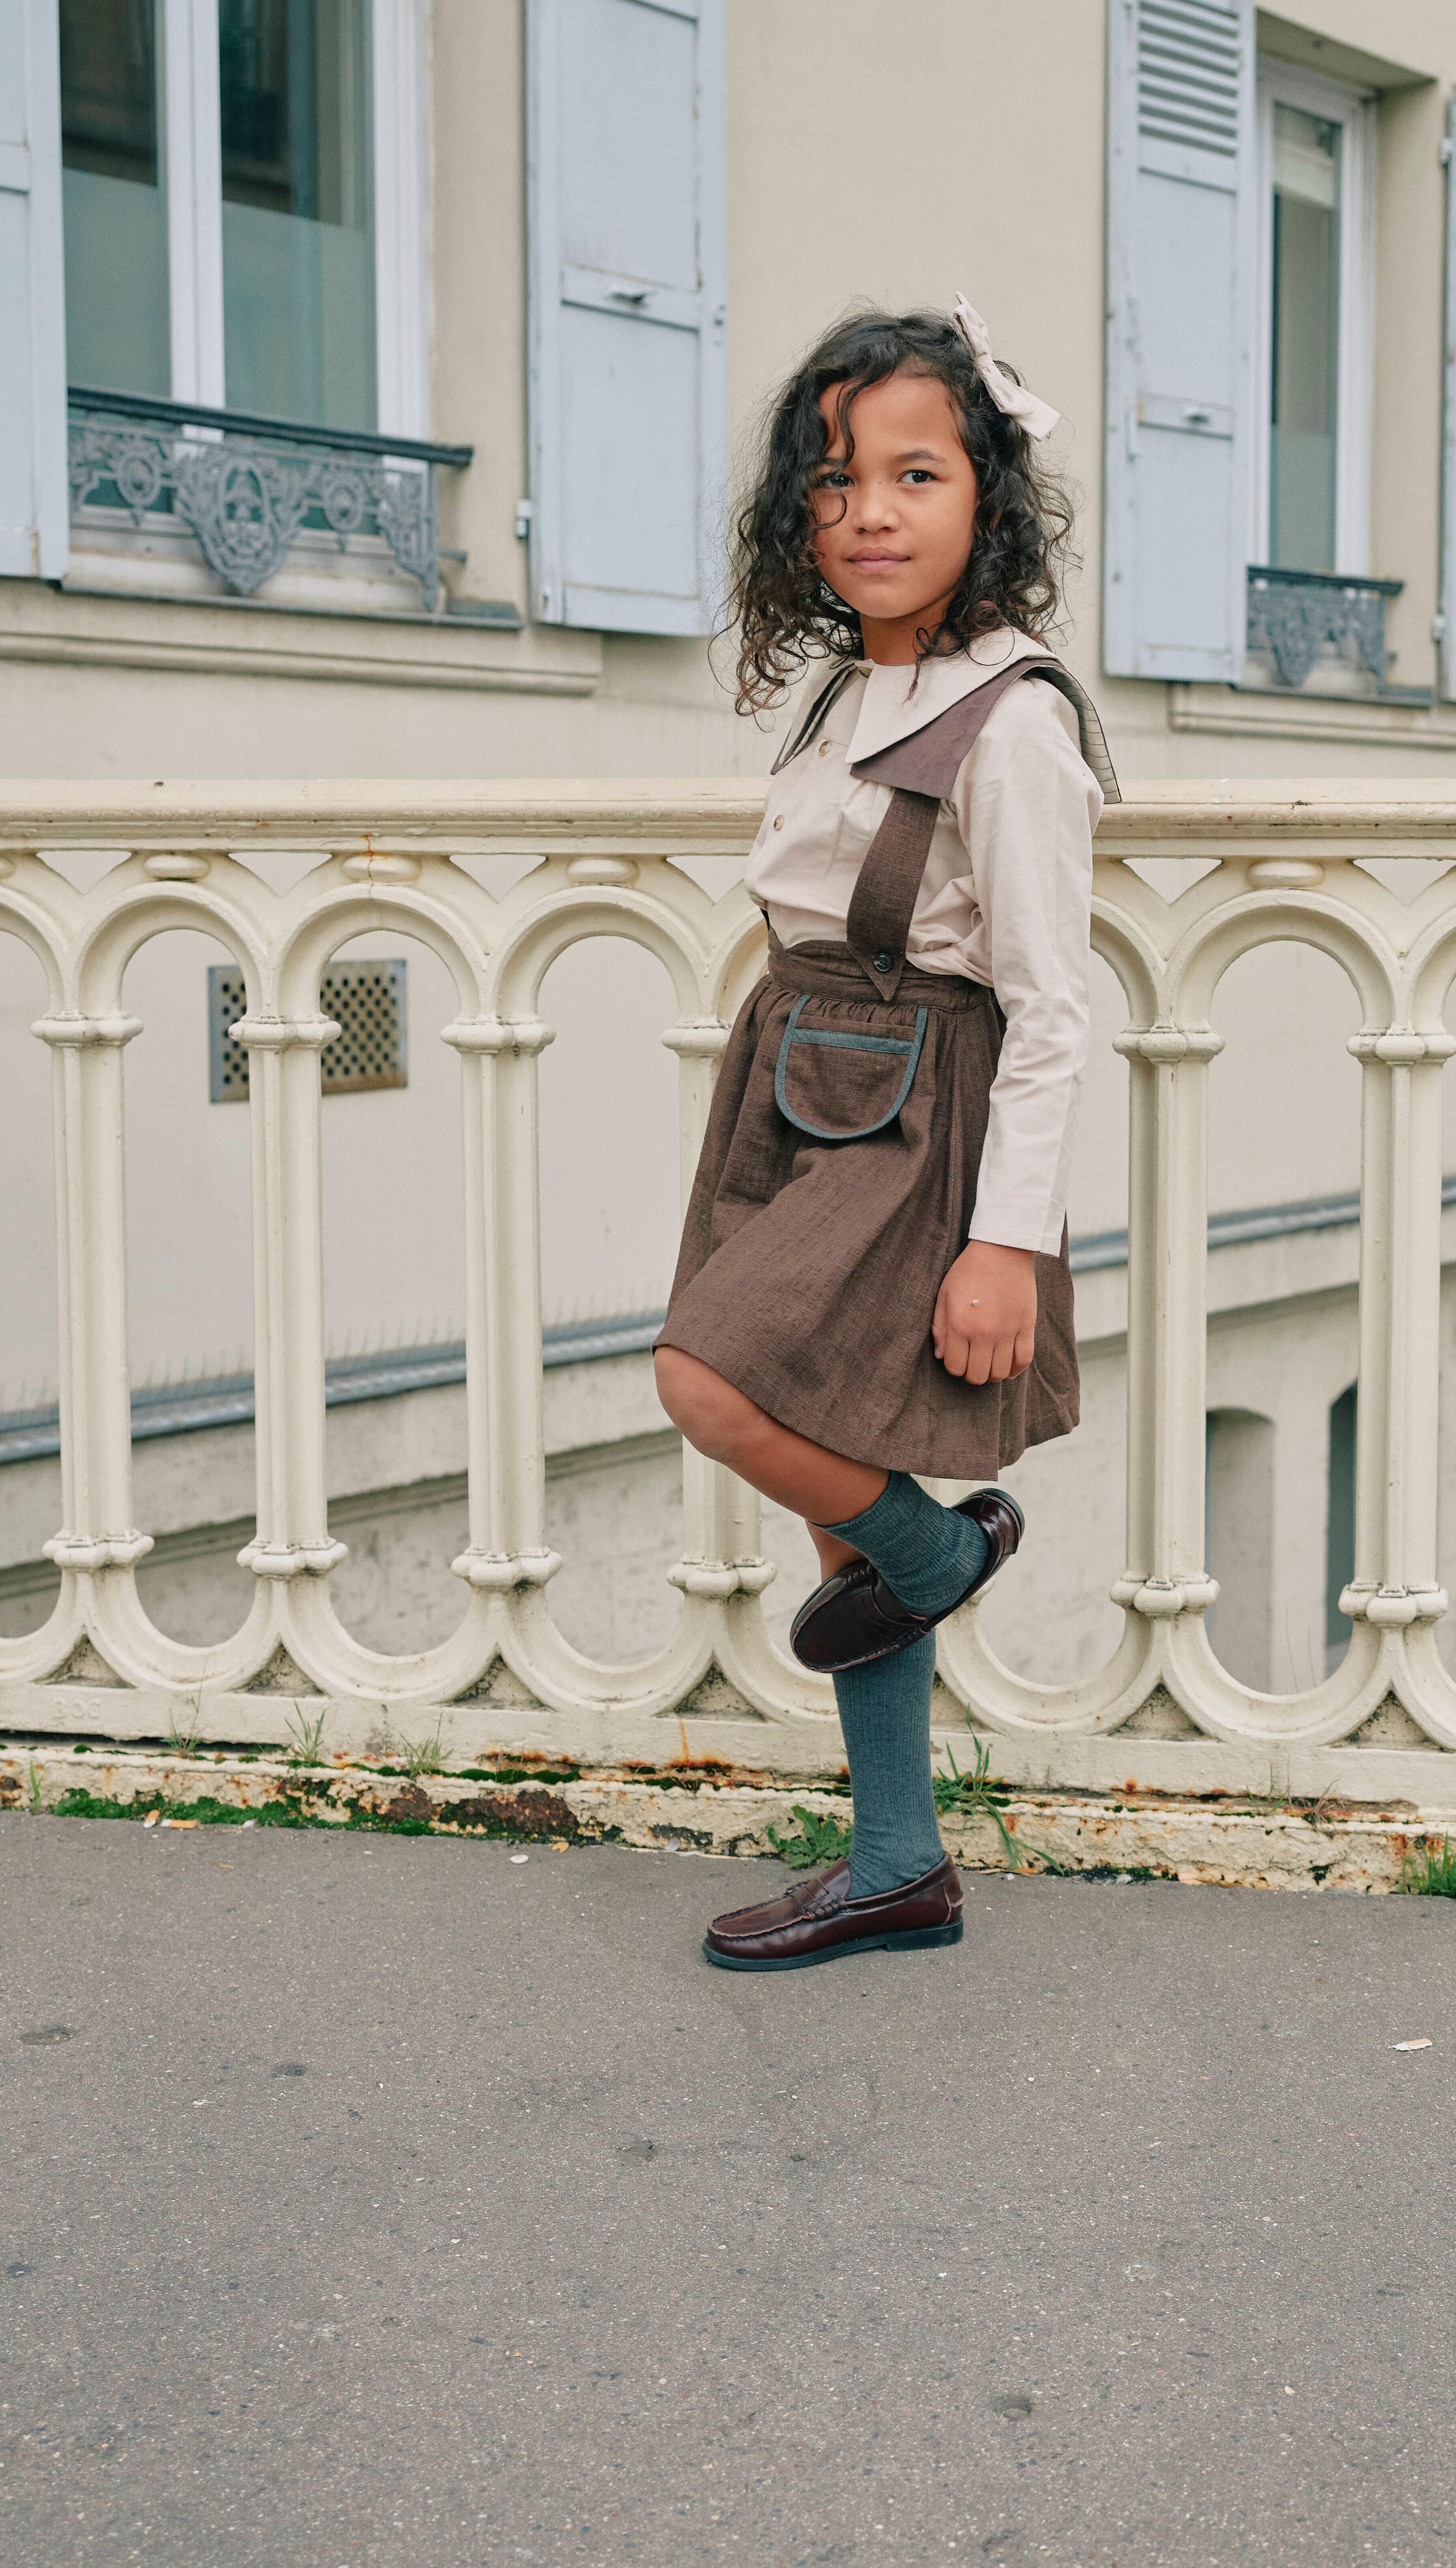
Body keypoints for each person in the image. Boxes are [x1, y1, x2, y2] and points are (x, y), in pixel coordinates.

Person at [653, 298, 1117, 1972]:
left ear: (988, 496)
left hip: (914, 1116)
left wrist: (1004, 1243)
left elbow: (1052, 1009)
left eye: (916, 475)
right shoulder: (845, 690)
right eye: (836, 481)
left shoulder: (1015, 721)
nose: (869, 513)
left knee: (710, 1381)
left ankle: (942, 1553)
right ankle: (897, 1862)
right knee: (826, 1490)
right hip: (799, 1082)